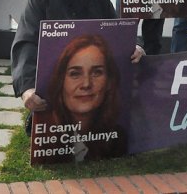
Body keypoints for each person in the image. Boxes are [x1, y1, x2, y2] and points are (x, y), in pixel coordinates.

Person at [11, 0, 144, 127]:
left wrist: (135, 45)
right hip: (54, 83)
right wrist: (27, 88)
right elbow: (26, 42)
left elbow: (117, 31)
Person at [33, 34, 127, 163]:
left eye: (97, 72)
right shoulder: (43, 136)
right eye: (75, 74)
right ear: (61, 81)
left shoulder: (118, 138)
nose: (86, 84)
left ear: (109, 82)